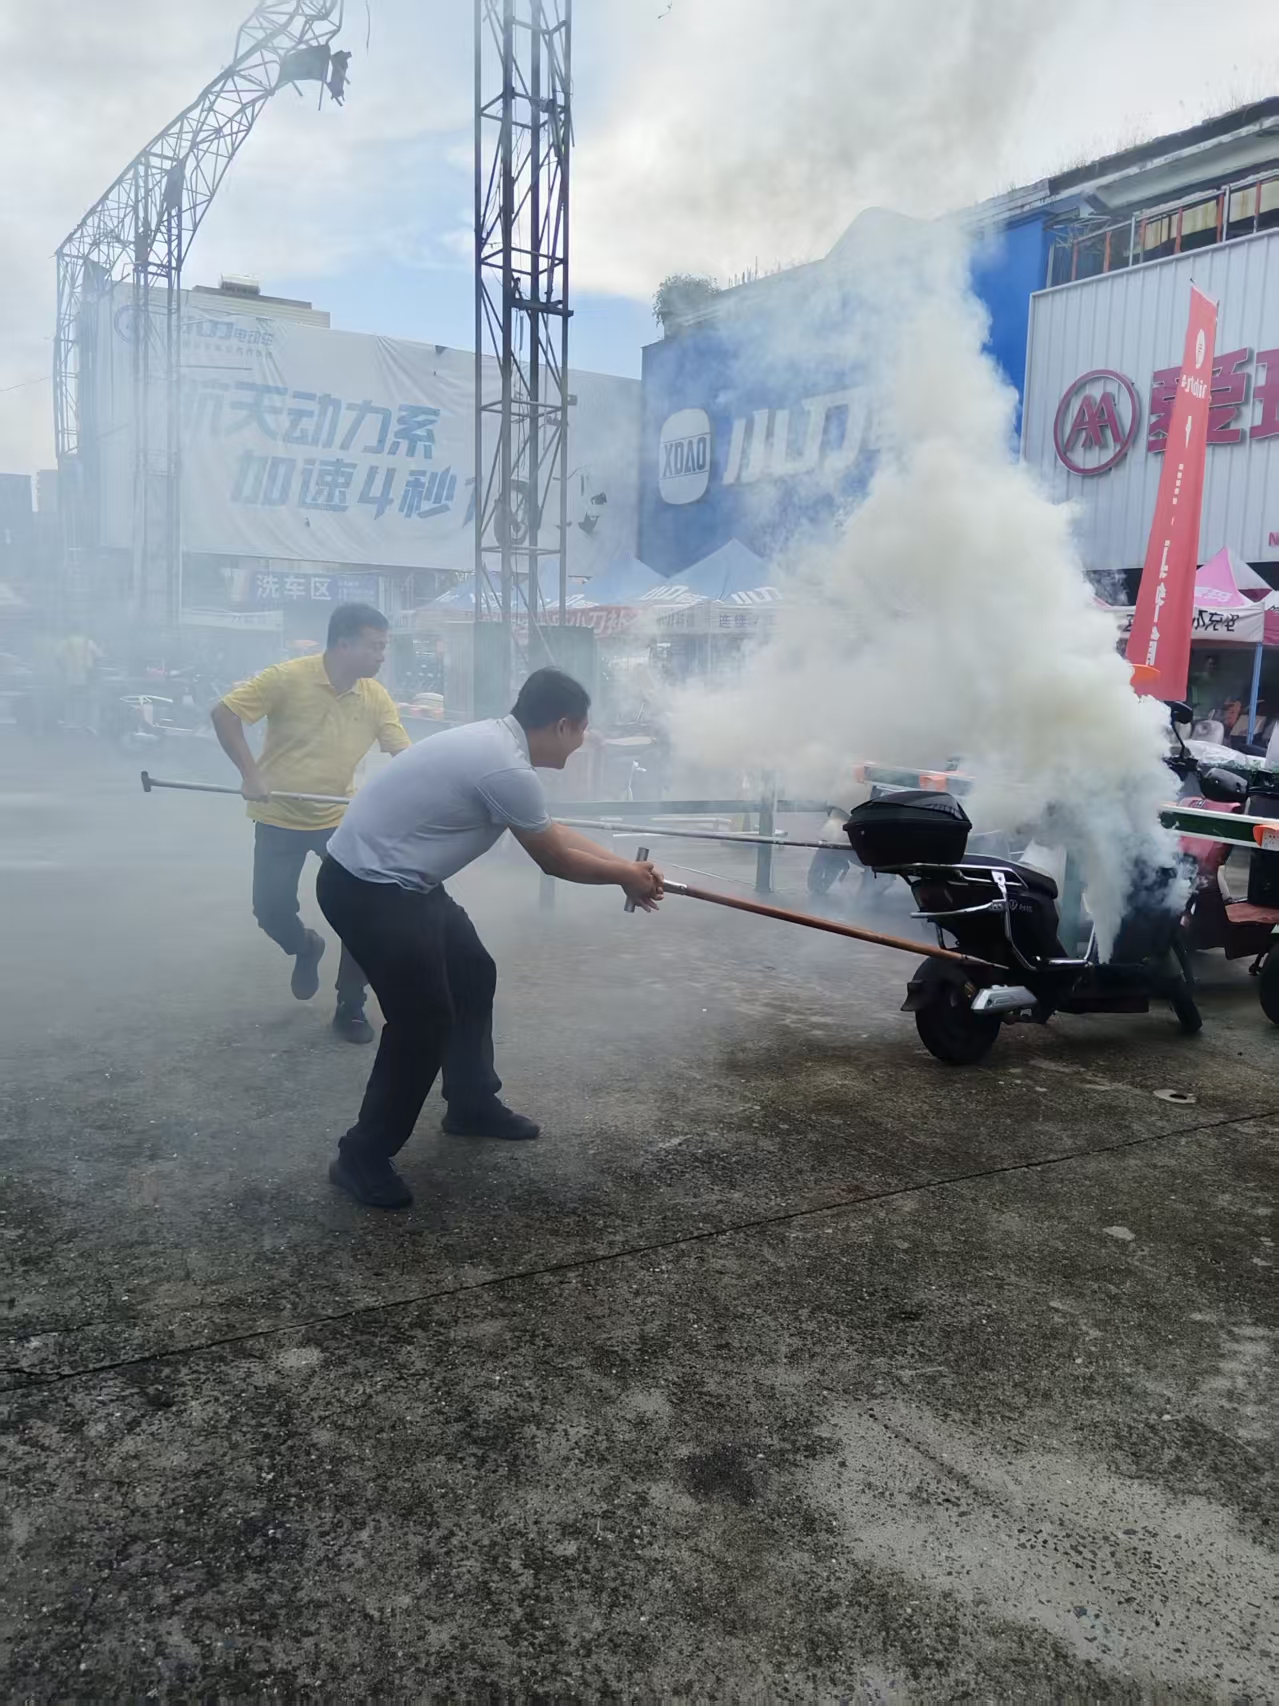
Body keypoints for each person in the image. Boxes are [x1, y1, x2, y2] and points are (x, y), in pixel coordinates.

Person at [316, 666, 663, 1209]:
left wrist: (625, 868)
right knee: (424, 1019)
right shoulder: (505, 766)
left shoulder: (498, 746)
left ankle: (471, 1102)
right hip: (369, 888)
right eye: (582, 730)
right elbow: (553, 860)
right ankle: (361, 1155)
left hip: (404, 883)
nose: (582, 742)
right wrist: (623, 876)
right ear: (563, 724)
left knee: (473, 973)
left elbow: (551, 830)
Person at [211, 603, 411, 1043]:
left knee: (363, 911)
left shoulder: (375, 697)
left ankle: (351, 1005)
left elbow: (404, 754)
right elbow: (224, 713)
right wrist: (250, 773)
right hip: (278, 815)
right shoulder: (286, 678)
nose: (382, 656)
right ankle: (305, 946)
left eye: (384, 647)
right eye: (375, 646)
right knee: (270, 910)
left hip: (339, 819)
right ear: (344, 644)